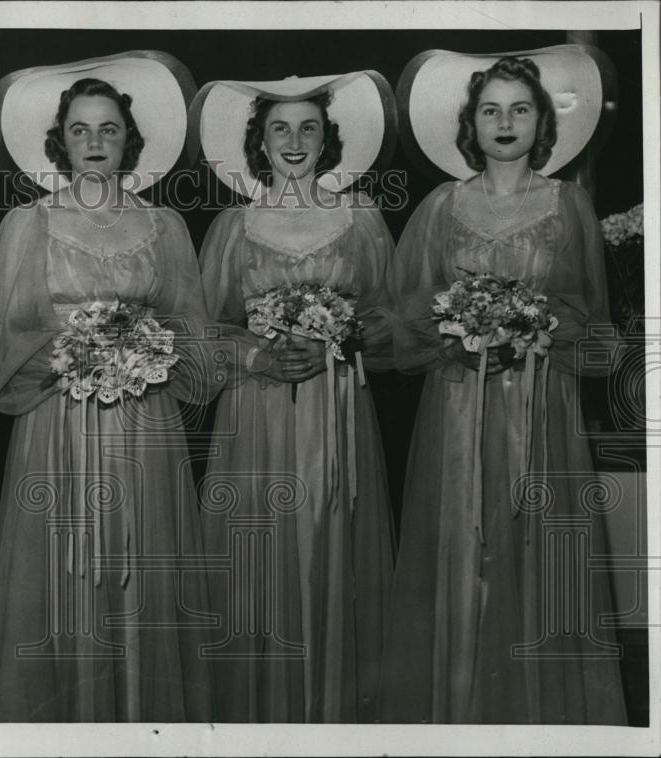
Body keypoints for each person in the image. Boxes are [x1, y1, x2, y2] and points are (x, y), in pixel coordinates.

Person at [381, 49, 627, 724]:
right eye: (491, 110)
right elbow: (406, 318)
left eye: (520, 109)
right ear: (472, 125)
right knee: (462, 540)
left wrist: (536, 329)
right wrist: (457, 338)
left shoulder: (567, 203)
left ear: (542, 122)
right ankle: (458, 705)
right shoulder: (441, 206)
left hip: (540, 405)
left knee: (535, 540)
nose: (506, 122)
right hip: (458, 403)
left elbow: (591, 320)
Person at [0, 52, 216, 722]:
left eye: (109, 129)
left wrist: (148, 352)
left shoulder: (164, 226)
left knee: (145, 568)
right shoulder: (29, 223)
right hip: (58, 423)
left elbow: (190, 331)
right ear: (60, 143)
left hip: (144, 423)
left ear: (129, 141)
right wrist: (67, 355)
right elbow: (7, 335)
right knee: (61, 571)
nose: (96, 142)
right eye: (81, 130)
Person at [192, 73, 398, 722]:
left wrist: (341, 339)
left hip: (337, 410)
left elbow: (393, 319)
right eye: (279, 128)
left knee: (333, 548)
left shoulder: (361, 218)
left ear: (328, 139)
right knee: (261, 556)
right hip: (254, 413)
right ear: (259, 140)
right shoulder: (233, 225)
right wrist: (258, 353)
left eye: (309, 127)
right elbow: (204, 330)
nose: (294, 140)